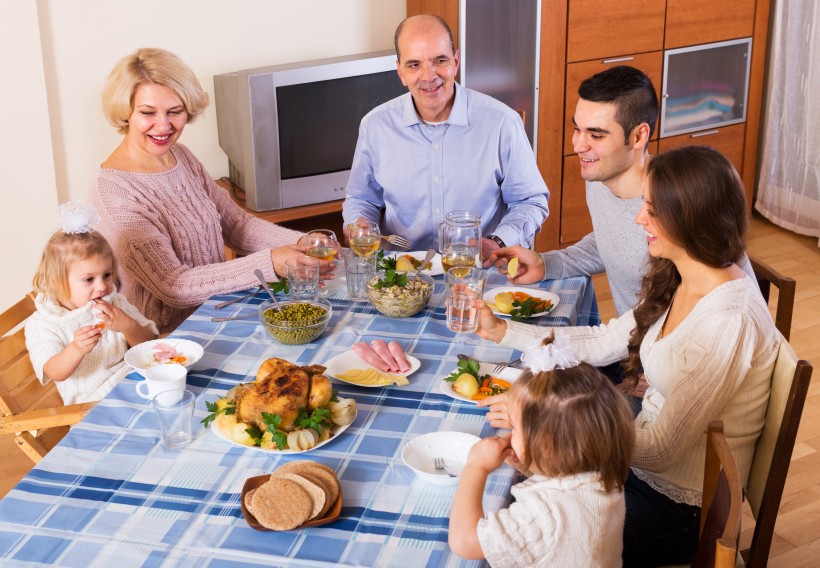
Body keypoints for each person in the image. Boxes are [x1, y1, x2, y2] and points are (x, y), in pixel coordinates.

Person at [470, 146, 780, 565]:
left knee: (516, 535)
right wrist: (502, 329)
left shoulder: (728, 321)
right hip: (638, 473)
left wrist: (552, 424)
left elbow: (661, 450)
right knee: (519, 507)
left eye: (651, 210)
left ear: (689, 217)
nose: (639, 220)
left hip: (679, 508)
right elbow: (604, 341)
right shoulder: (684, 274)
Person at [90, 48, 332, 333]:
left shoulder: (180, 156)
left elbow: (236, 225)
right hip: (165, 339)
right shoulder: (116, 193)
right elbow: (174, 286)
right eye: (147, 113)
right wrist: (271, 262)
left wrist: (304, 243)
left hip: (217, 314)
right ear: (125, 112)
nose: (163, 125)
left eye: (175, 111)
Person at [487, 66, 756, 316]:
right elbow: (610, 241)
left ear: (638, 136)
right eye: (576, 129)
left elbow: (720, 313)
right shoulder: (599, 178)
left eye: (596, 135)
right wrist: (545, 264)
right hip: (634, 346)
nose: (579, 145)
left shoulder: (676, 208)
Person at [342, 14, 549, 256]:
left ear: (456, 61)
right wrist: (358, 224)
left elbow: (530, 201)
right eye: (414, 64)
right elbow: (362, 198)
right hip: (399, 275)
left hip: (477, 268)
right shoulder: (375, 126)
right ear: (400, 72)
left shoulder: (502, 122)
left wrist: (498, 241)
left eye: (440, 60)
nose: (429, 76)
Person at [448, 337, 635, 567]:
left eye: (514, 426)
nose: (511, 432)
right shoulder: (605, 472)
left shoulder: (545, 514)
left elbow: (464, 542)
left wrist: (475, 467)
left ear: (545, 444)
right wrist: (528, 461)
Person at [25, 202, 158, 405]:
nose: (102, 286)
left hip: (136, 383)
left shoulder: (115, 303)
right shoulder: (45, 323)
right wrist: (76, 349)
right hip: (95, 405)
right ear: (56, 280)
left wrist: (127, 326)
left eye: (107, 275)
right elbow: (54, 371)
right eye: (89, 279)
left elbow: (150, 345)